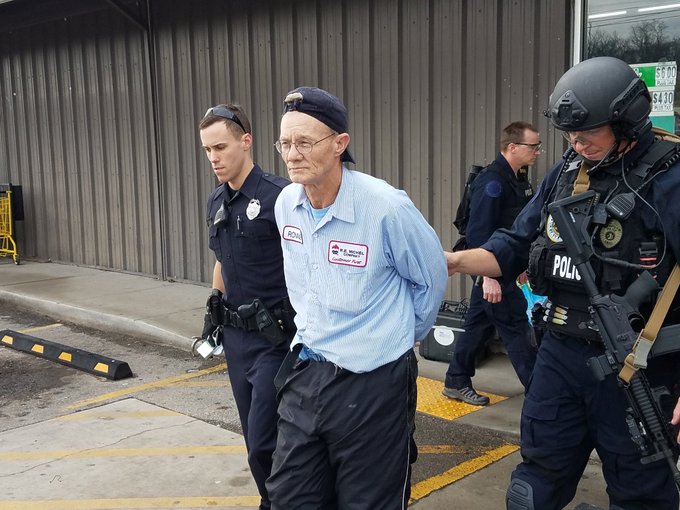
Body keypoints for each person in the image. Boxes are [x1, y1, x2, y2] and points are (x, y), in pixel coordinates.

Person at [446, 56, 680, 509]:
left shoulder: (670, 180)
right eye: (570, 135)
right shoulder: (568, 173)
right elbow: (514, 244)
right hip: (560, 356)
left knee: (643, 496)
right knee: (533, 489)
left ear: (627, 121)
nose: (576, 143)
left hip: (639, 367)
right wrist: (454, 262)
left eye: (588, 133)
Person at [266, 86, 448, 509]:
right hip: (306, 370)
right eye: (285, 143)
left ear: (339, 143)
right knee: (289, 498)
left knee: (369, 502)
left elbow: (431, 278)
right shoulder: (286, 203)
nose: (292, 154)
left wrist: (397, 336)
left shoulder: (385, 207)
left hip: (373, 383)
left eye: (304, 142)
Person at [198, 104, 295, 510]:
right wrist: (213, 303)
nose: (213, 158)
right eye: (207, 150)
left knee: (265, 443)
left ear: (246, 141)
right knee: (254, 440)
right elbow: (222, 259)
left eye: (220, 147)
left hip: (276, 340)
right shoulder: (216, 201)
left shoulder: (280, 197)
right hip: (236, 342)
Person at [443, 122, 539, 405]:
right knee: (515, 326)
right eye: (533, 146)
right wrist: (488, 277)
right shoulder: (493, 182)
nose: (537, 151)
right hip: (492, 271)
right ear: (513, 147)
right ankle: (540, 393)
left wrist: (520, 266)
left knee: (479, 323)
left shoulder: (516, 179)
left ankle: (456, 379)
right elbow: (478, 233)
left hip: (502, 267)